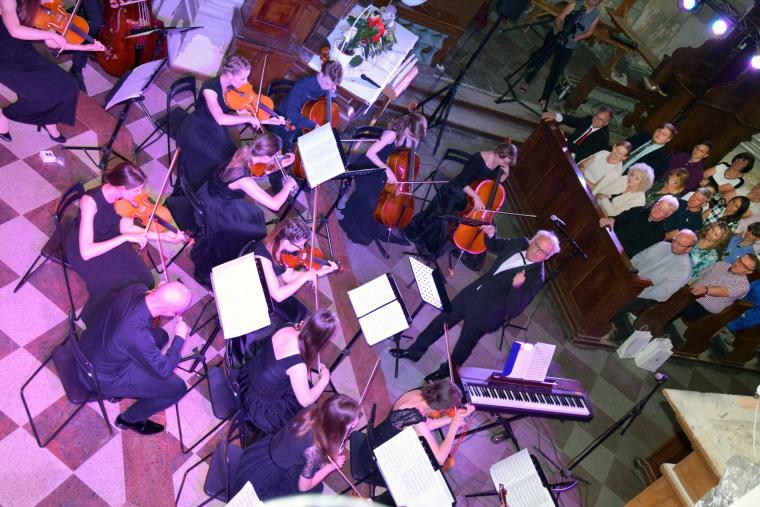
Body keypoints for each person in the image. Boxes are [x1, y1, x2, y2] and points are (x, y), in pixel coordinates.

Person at [391, 229, 560, 382]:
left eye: (544, 253)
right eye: (537, 246)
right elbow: (495, 245)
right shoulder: (520, 242)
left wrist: (517, 287)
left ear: (548, 257)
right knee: (441, 321)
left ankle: (445, 371)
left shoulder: (536, 278)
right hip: (473, 292)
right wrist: (492, 234)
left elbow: (514, 309)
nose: (538, 253)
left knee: (463, 345)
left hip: (488, 314)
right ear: (532, 240)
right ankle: (415, 351)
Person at [64, 162, 186, 324]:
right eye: (136, 190)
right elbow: (86, 252)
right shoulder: (89, 202)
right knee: (115, 286)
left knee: (145, 278)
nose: (140, 194)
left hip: (109, 237)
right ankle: (97, 319)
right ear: (121, 187)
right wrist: (124, 239)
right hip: (83, 247)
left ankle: (130, 311)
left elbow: (126, 229)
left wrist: (163, 237)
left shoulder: (123, 199)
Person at [77, 282, 192, 435]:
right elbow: (164, 370)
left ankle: (120, 393)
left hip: (90, 345)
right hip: (100, 377)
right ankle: (129, 419)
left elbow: (136, 332)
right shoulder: (137, 335)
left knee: (161, 336)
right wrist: (180, 337)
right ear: (170, 313)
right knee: (177, 388)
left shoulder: (136, 288)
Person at [189, 136, 298, 287]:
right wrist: (287, 186)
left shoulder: (243, 152)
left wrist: (280, 164)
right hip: (218, 210)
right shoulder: (243, 180)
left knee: (255, 215)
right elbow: (275, 205)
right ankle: (239, 258)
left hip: (210, 193)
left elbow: (256, 172)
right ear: (266, 157)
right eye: (275, 157)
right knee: (253, 230)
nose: (276, 160)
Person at [175, 54, 285, 192]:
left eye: (247, 78)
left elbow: (244, 114)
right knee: (218, 161)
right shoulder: (210, 89)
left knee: (232, 154)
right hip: (198, 129)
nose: (245, 82)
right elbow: (221, 119)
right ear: (230, 75)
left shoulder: (233, 89)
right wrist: (249, 119)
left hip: (215, 129)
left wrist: (269, 120)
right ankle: (198, 190)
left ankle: (220, 184)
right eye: (242, 78)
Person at [0, 0, 105, 143]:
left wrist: (85, 48)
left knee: (69, 86)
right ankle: (5, 115)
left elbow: (52, 43)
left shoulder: (48, 5)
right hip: (3, 59)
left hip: (24, 52)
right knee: (41, 97)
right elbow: (15, 30)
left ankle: (50, 121)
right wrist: (50, 35)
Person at [232, 394, 362, 501]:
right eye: (351, 426)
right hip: (271, 476)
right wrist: (331, 467)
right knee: (313, 492)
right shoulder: (314, 451)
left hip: (266, 450)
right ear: (337, 426)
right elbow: (303, 487)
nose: (354, 426)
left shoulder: (314, 409)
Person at [404, 140, 518, 259]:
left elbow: (493, 185)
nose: (505, 165)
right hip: (456, 193)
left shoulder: (499, 166)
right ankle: (433, 247)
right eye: (505, 162)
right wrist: (476, 197)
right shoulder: (478, 159)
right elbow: (462, 181)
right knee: (447, 221)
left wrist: (505, 175)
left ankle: (459, 242)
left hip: (472, 197)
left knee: (483, 224)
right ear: (499, 154)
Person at [238, 309, 336, 434]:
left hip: (248, 377)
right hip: (257, 404)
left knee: (302, 384)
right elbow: (306, 401)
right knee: (301, 411)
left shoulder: (288, 326)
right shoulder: (298, 365)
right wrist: (324, 379)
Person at [339, 111, 427, 246]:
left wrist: (413, 145)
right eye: (412, 136)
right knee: (376, 202)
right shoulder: (391, 135)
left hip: (386, 172)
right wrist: (387, 170)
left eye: (418, 138)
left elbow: (407, 159)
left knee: (386, 201)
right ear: (407, 127)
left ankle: (379, 227)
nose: (415, 140)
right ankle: (360, 229)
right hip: (371, 169)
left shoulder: (412, 139)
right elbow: (370, 154)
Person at [357, 380, 475, 468]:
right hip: (375, 456)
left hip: (375, 438)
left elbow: (426, 425)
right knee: (424, 466)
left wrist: (452, 419)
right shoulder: (415, 415)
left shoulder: (420, 393)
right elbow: (440, 459)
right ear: (441, 409)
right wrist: (453, 427)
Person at [610, 229, 697, 340]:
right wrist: (626, 275)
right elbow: (637, 259)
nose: (675, 245)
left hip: (645, 295)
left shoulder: (684, 270)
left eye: (680, 245)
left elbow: (661, 294)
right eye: (675, 240)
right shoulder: (662, 245)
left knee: (616, 302)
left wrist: (634, 292)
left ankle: (600, 322)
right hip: (631, 279)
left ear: (689, 249)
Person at [520, 0, 601, 110]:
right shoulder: (575, 4)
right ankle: (527, 82)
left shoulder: (596, 14)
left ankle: (544, 97)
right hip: (557, 35)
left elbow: (589, 32)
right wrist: (559, 29)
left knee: (556, 71)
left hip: (569, 44)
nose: (593, 0)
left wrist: (578, 38)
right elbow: (560, 18)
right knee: (540, 58)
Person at [662, 254, 757, 342]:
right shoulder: (721, 264)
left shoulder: (743, 286)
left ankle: (657, 325)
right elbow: (699, 274)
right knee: (675, 294)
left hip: (704, 310)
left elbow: (723, 291)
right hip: (689, 294)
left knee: (680, 305)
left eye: (743, 265)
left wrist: (706, 290)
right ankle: (658, 321)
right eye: (739, 260)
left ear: (749, 272)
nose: (737, 264)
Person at [270, 60, 344, 153]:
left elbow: (333, 94)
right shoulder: (302, 85)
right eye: (328, 83)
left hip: (302, 124)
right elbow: (292, 114)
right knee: (288, 155)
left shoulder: (326, 86)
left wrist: (333, 92)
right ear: (321, 74)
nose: (329, 88)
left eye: (333, 85)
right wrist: (313, 125)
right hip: (283, 121)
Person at [599, 195, 679, 258]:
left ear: (667, 215)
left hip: (616, 254)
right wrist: (611, 219)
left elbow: (633, 251)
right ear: (655, 203)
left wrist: (613, 241)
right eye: (658, 206)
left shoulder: (659, 233)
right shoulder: (639, 210)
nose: (658, 210)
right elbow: (618, 219)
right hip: (605, 239)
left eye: (662, 210)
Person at [540, 105, 613, 161]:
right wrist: (556, 116)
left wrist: (564, 139)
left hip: (576, 160)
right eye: (596, 116)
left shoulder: (602, 138)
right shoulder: (588, 119)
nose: (596, 120)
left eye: (600, 120)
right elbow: (574, 120)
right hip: (566, 147)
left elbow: (582, 152)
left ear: (606, 123)